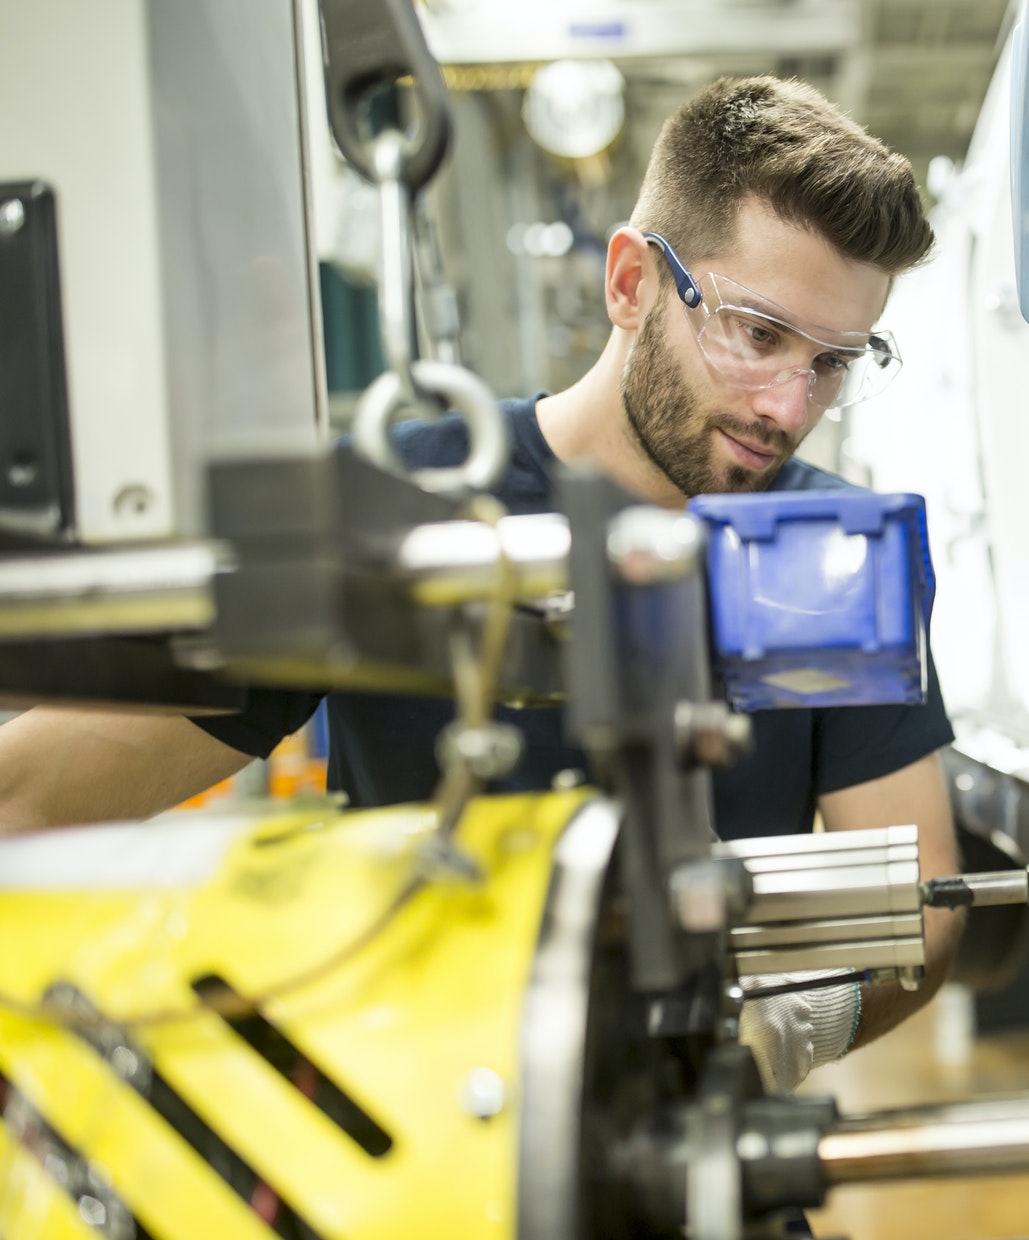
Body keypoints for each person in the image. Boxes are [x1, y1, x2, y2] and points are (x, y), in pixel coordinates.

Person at [0, 77, 963, 1091]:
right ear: (630, 281)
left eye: (831, 363)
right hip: (401, 1145)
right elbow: (32, 794)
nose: (786, 405)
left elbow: (919, 904)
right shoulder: (396, 503)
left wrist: (790, 1026)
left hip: (704, 1166)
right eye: (757, 335)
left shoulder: (825, 552)